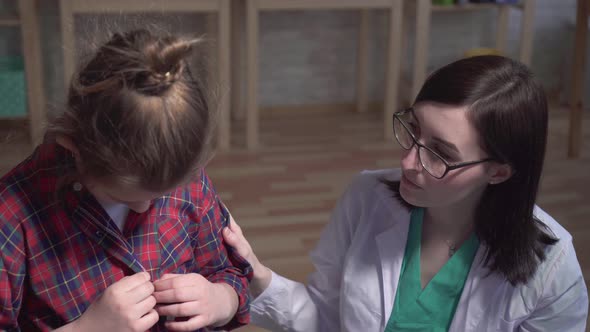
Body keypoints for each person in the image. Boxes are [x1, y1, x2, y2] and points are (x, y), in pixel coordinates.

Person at [222, 55, 589, 331]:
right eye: (413, 130)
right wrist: (255, 273)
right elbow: (325, 315)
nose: (408, 161)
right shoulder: (366, 196)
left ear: (498, 172)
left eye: (441, 154)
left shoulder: (553, 267)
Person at [0, 29, 252, 332]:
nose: (147, 207)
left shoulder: (184, 180)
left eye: (163, 193)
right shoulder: (11, 219)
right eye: (125, 196)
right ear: (75, 148)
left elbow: (227, 272)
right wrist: (88, 329)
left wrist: (222, 299)